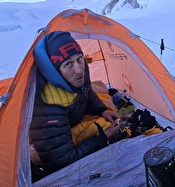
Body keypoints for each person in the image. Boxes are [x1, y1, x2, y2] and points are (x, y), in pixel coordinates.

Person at [29, 31, 122, 176]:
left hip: (71, 118)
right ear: (53, 71)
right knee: (103, 125)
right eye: (68, 64)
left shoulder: (77, 73)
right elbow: (62, 161)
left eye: (79, 58)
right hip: (54, 136)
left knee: (103, 95)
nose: (79, 70)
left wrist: (102, 109)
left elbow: (86, 91)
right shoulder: (48, 106)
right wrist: (103, 137)